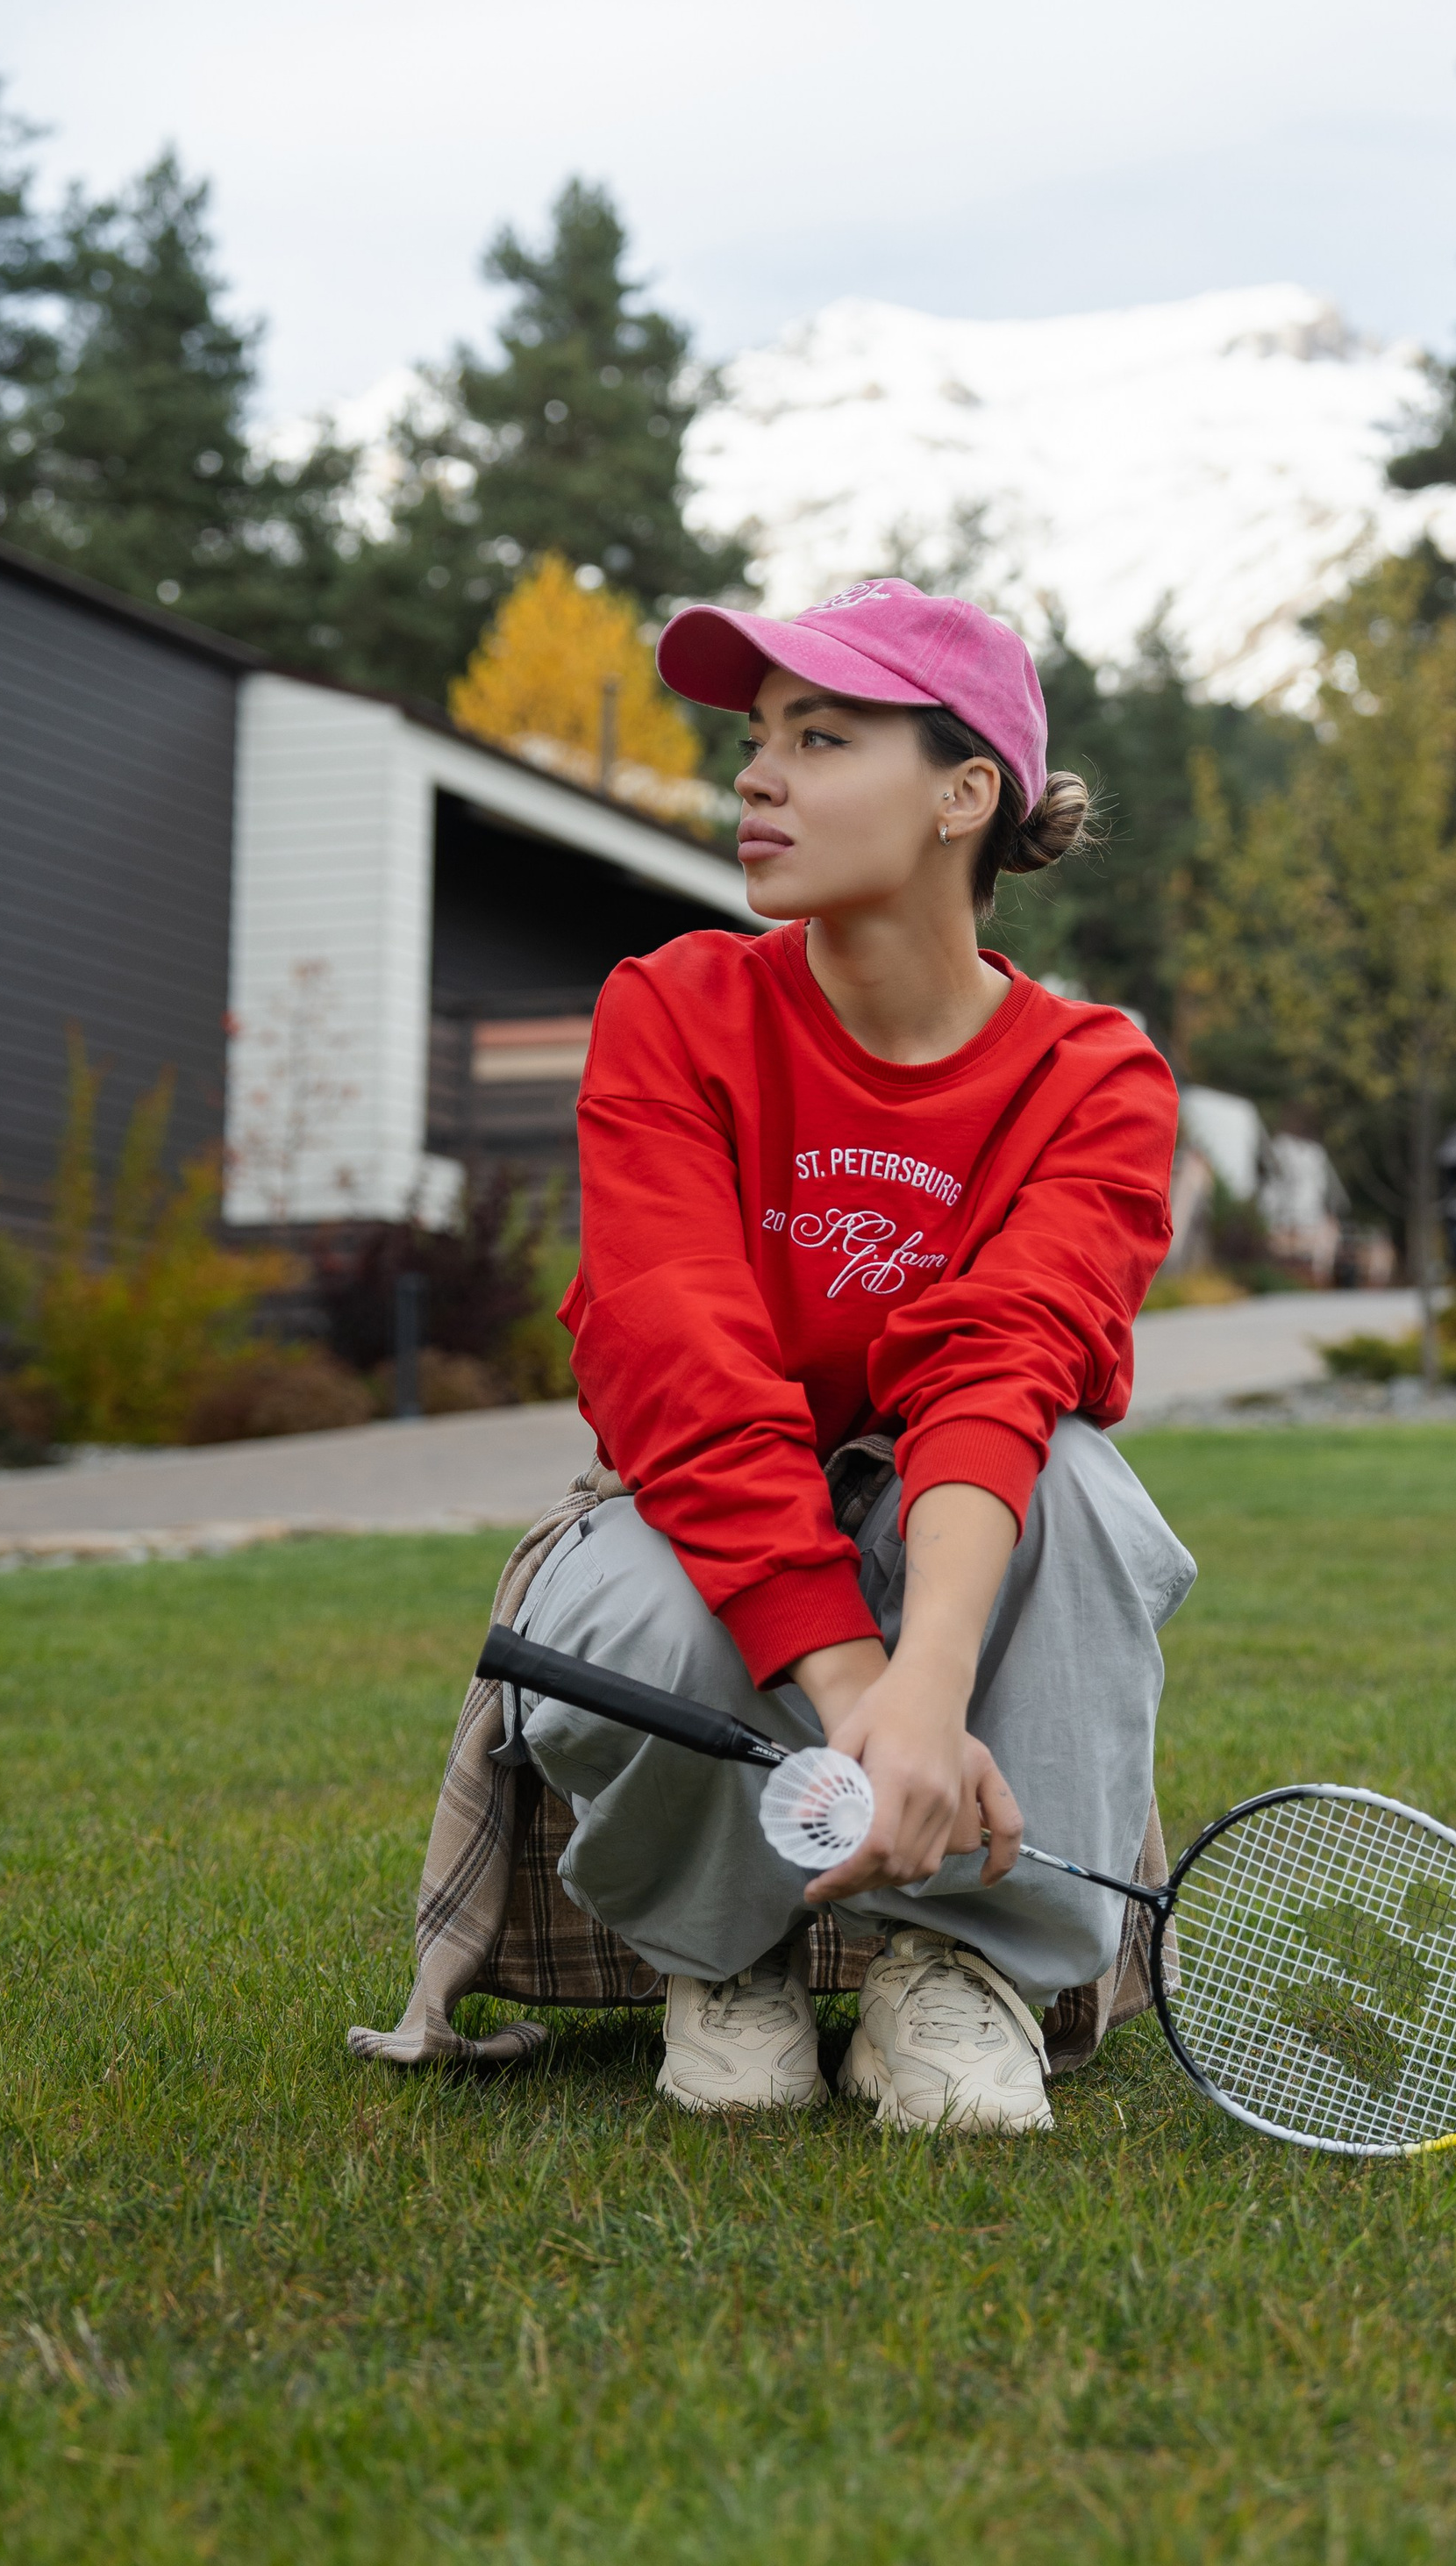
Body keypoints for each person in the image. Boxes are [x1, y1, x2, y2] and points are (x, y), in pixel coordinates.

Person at [508, 575, 1196, 2134]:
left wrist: (929, 1679)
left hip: (947, 1516)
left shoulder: (1096, 1076)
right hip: (714, 1515)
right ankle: (724, 1951)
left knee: (1083, 1489)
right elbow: (680, 1362)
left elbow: (1001, 1366)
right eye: (756, 738)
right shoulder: (671, 1011)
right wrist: (856, 1678)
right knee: (646, 1594)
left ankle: (960, 1970)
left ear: (967, 794)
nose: (754, 775)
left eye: (818, 737)